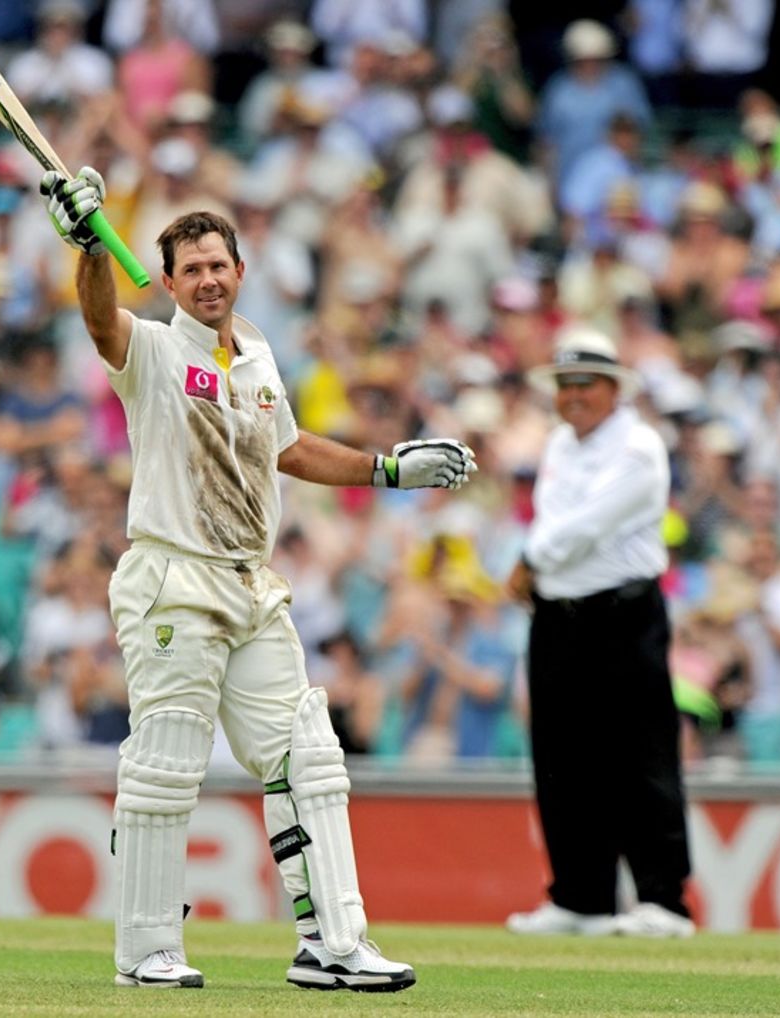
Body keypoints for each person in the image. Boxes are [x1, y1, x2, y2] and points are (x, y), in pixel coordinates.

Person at [39, 166, 477, 990]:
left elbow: (289, 449)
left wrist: (387, 469)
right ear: (167, 281)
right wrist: (91, 240)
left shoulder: (260, 356)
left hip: (250, 583)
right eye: (191, 269)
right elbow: (102, 326)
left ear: (240, 272)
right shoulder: (159, 351)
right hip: (173, 576)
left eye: (218, 265)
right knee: (168, 762)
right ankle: (146, 950)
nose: (207, 279)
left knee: (308, 757)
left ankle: (333, 945)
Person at [505, 326, 695, 939]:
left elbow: (585, 527)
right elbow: (565, 524)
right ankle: (580, 897)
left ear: (614, 388)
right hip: (559, 618)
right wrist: (539, 562)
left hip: (623, 616)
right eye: (564, 384)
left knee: (638, 756)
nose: (573, 394)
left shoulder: (640, 447)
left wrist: (529, 557)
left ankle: (663, 900)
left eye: (585, 382)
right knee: (562, 761)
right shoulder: (560, 445)